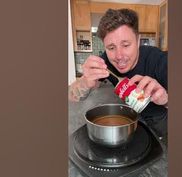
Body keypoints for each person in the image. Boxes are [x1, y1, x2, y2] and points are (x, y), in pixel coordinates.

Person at [69, 8, 168, 142]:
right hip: (133, 125)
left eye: (126, 45)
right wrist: (85, 82)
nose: (119, 56)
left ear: (138, 41)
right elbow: (71, 96)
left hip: (162, 128)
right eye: (111, 48)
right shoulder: (105, 63)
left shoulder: (159, 60)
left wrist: (166, 99)